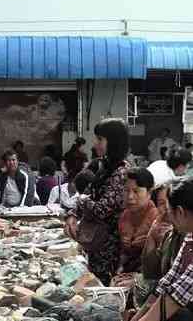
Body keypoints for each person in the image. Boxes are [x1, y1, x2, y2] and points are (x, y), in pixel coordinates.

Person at [65, 118, 130, 285]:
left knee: (103, 288)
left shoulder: (121, 172)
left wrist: (82, 199)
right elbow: (88, 194)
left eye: (100, 139)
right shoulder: (103, 166)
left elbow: (101, 209)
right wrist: (72, 215)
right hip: (95, 243)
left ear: (113, 141)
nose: (95, 144)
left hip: (109, 248)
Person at [131, 179, 193, 321]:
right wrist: (137, 316)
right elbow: (168, 281)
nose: (167, 215)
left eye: (169, 210)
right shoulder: (189, 236)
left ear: (180, 212)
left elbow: (176, 296)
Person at [116, 168, 159, 275]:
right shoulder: (124, 216)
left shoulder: (157, 219)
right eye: (126, 190)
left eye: (136, 191)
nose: (130, 197)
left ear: (149, 193)